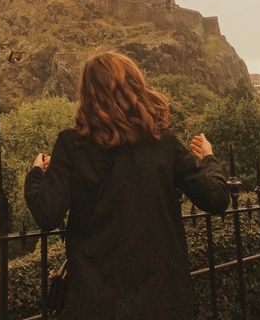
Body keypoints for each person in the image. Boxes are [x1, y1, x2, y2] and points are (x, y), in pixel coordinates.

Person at [24, 51, 229, 320]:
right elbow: (216, 198)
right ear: (135, 86)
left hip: (95, 301)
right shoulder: (163, 144)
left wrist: (36, 174)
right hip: (161, 300)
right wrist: (209, 160)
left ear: (87, 94)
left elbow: (47, 214)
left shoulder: (72, 145)